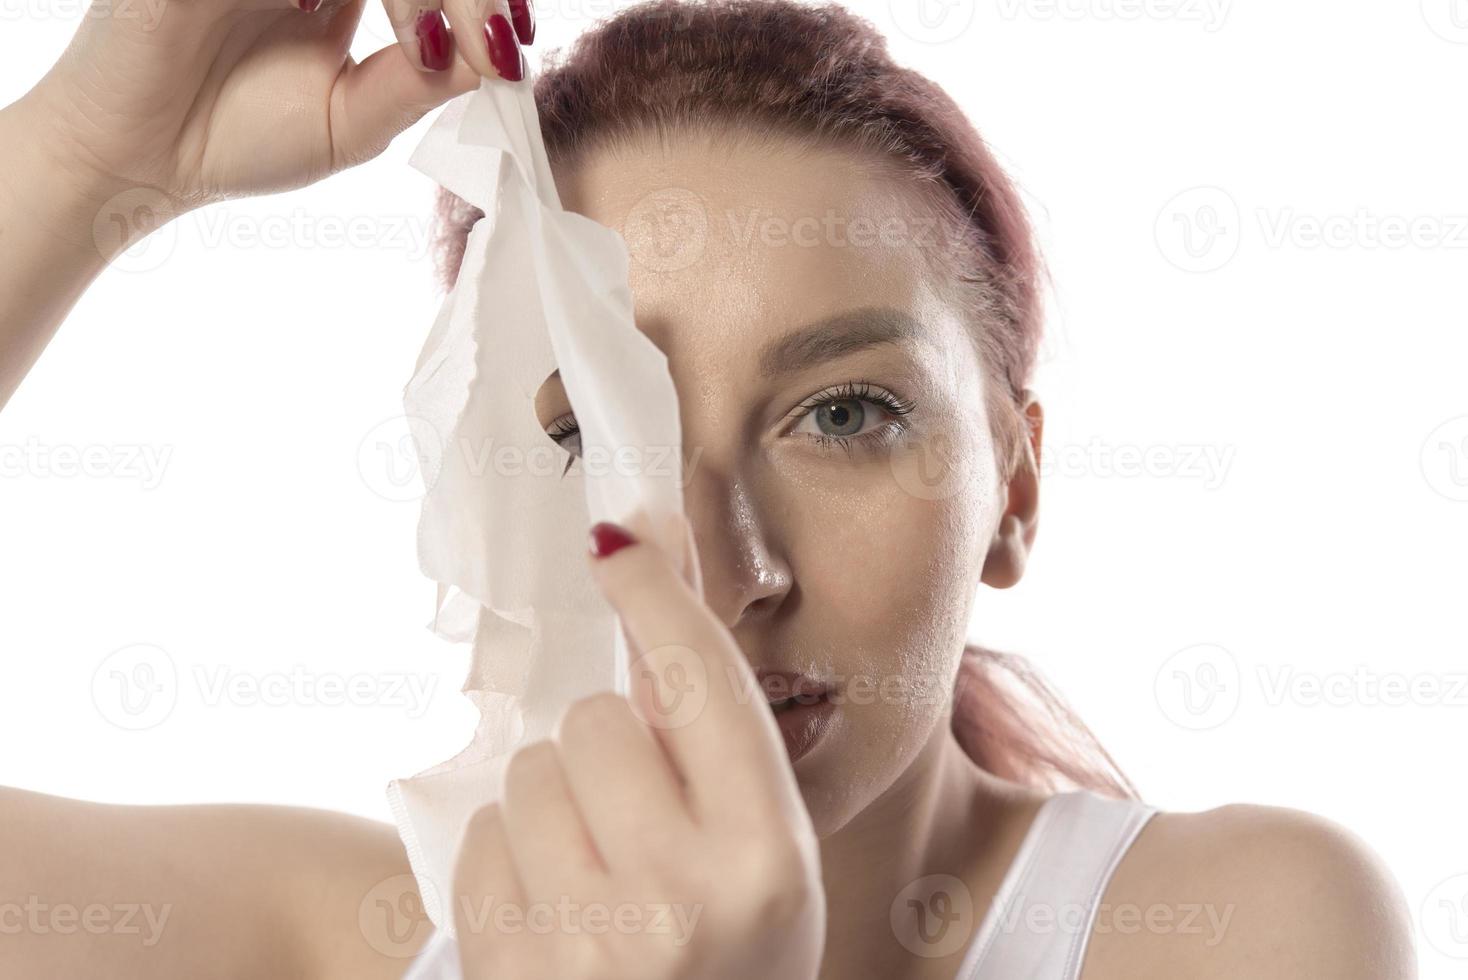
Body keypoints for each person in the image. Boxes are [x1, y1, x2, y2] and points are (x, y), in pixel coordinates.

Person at [0, 1, 1416, 978]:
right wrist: (85, 157)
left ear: (1017, 488)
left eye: (845, 412)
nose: (723, 574)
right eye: (587, 433)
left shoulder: (1239, 923)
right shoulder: (356, 934)